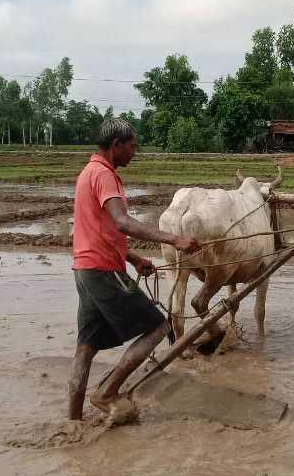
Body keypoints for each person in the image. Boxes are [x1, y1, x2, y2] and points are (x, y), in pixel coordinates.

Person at [67, 118, 201, 422]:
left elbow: (95, 230)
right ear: (116, 145)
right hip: (103, 271)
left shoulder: (87, 173)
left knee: (85, 348)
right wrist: (175, 239)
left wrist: (133, 258)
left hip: (85, 270)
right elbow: (122, 222)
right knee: (159, 328)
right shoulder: (104, 175)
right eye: (132, 145)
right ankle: (108, 392)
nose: (134, 151)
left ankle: (73, 421)